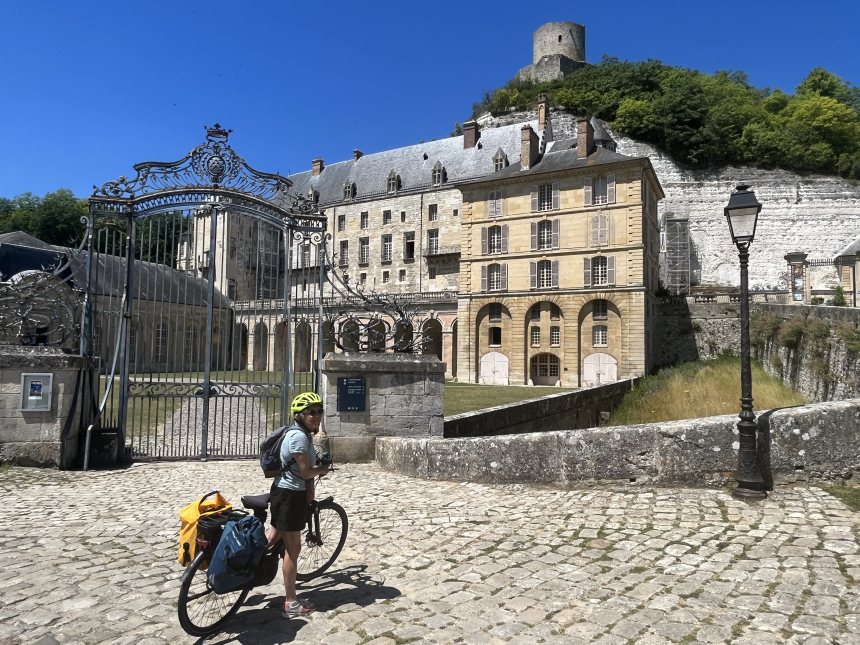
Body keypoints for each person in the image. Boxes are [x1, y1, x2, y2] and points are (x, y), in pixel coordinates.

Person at [267, 391, 331, 618]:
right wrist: (322, 469)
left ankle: (248, 569)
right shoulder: (299, 437)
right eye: (310, 412)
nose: (316, 416)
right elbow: (304, 472)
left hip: (285, 494)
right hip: (289, 497)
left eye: (319, 411)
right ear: (299, 415)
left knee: (272, 539)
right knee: (293, 549)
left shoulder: (301, 434)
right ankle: (291, 603)